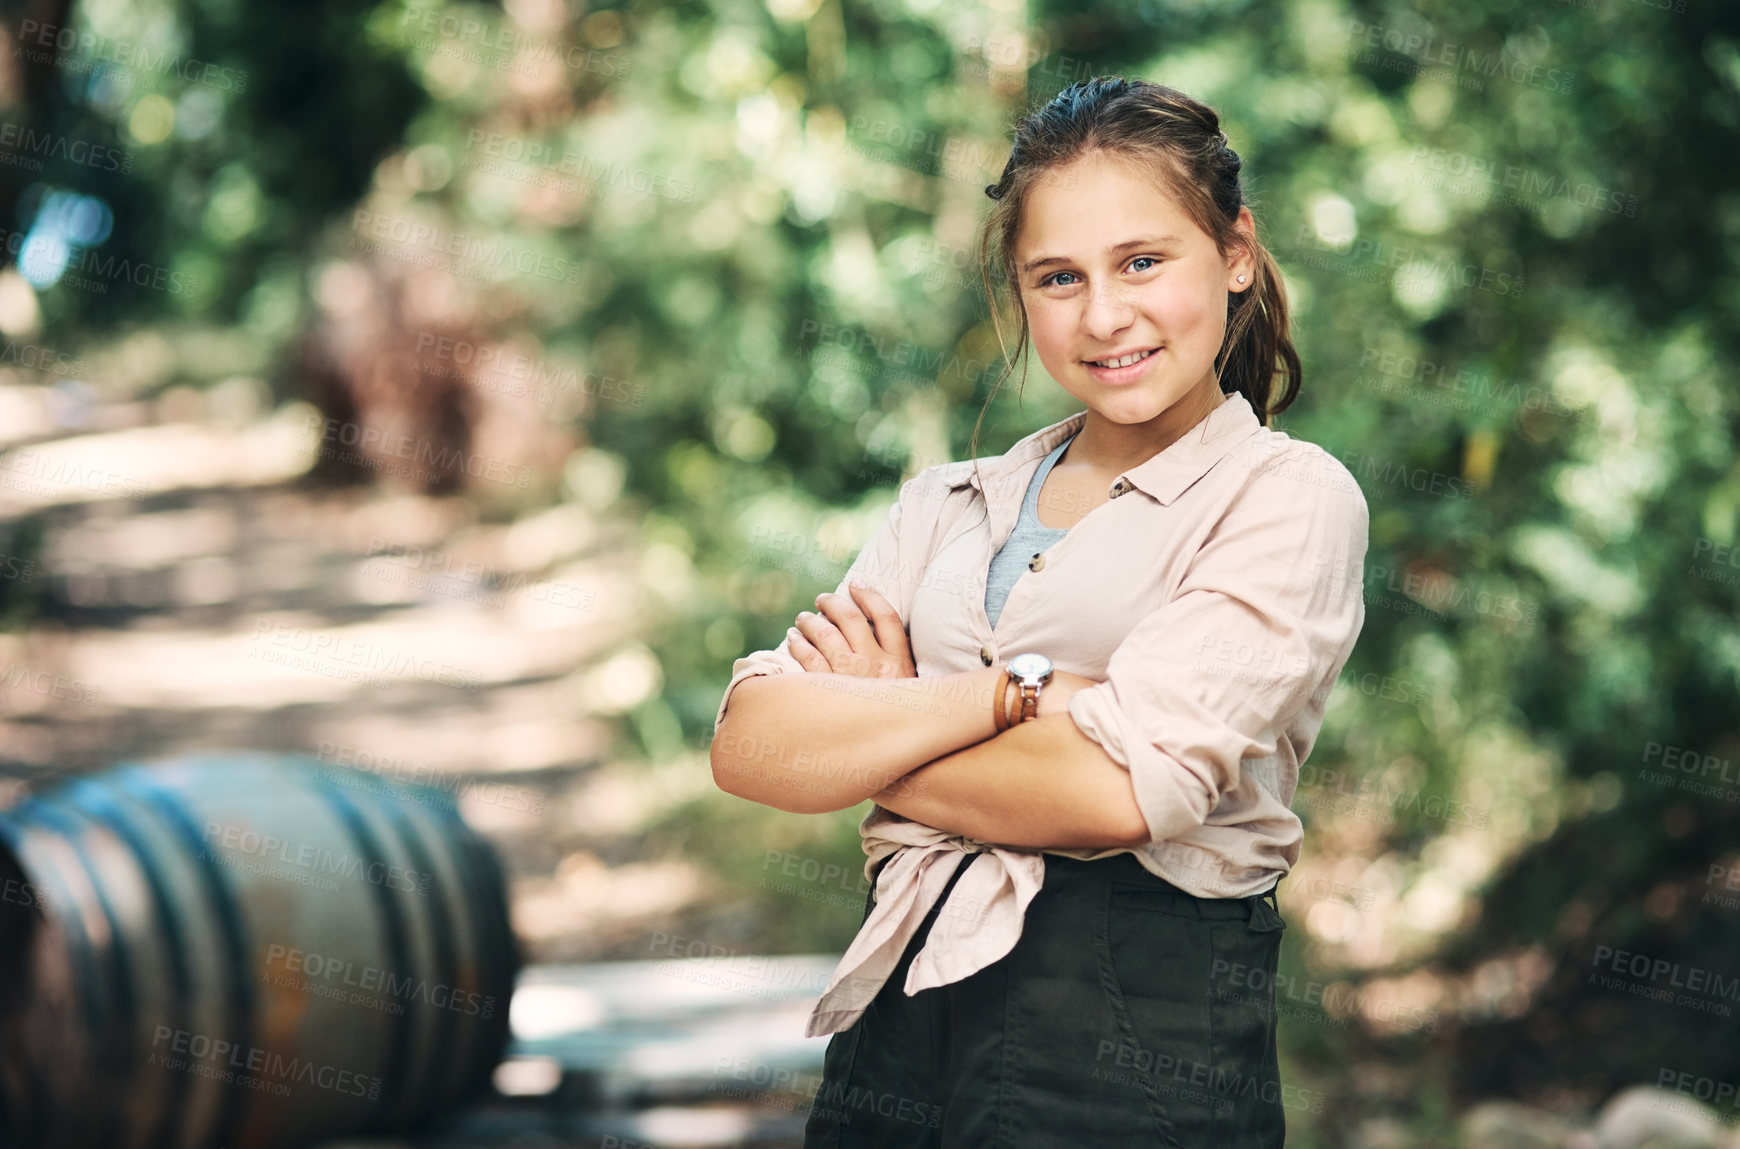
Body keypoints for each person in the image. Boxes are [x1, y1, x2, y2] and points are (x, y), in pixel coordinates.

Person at [710, 75, 1369, 1148]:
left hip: (1134, 1039)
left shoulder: (1285, 497)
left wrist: (871, 733)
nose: (1105, 316)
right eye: (1058, 277)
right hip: (899, 1015)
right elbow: (750, 746)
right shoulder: (945, 501)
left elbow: (1114, 793)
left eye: (1143, 262)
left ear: (1237, 251)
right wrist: (1015, 695)